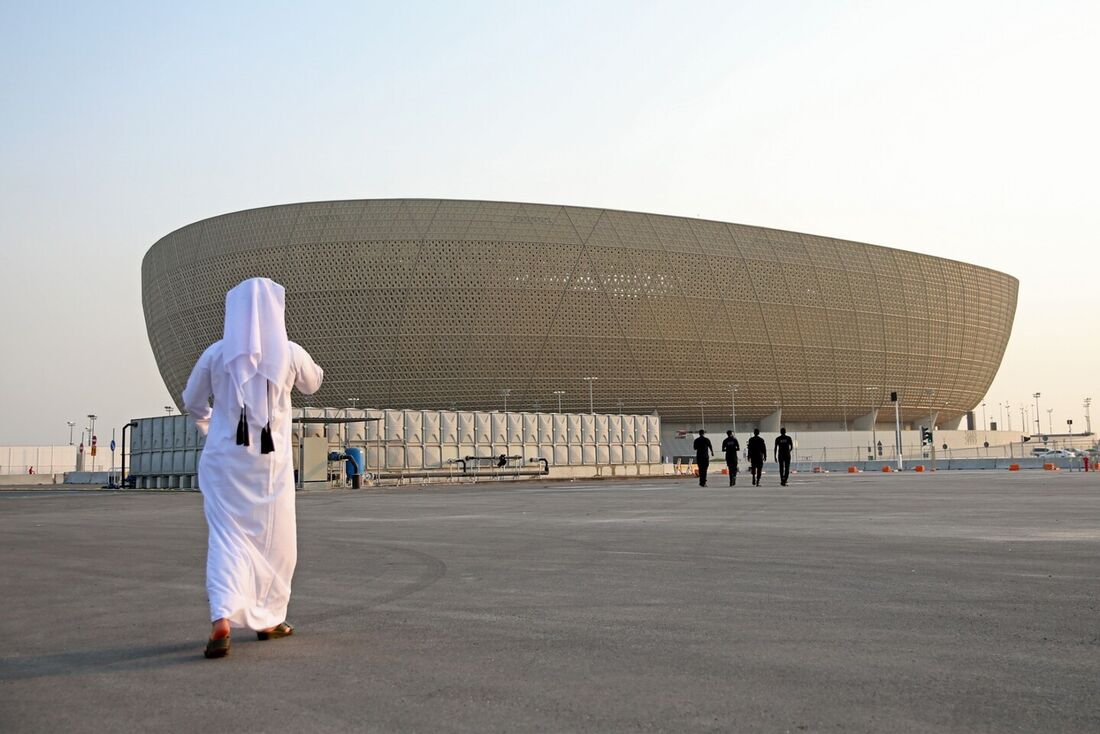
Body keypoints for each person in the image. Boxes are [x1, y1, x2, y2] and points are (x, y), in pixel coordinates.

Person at [182, 278, 324, 659]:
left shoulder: (216, 354)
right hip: (269, 468)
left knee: (227, 540)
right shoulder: (290, 353)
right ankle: (269, 619)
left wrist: (211, 426)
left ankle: (221, 622)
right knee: (276, 543)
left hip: (224, 464)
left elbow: (192, 399)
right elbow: (314, 383)